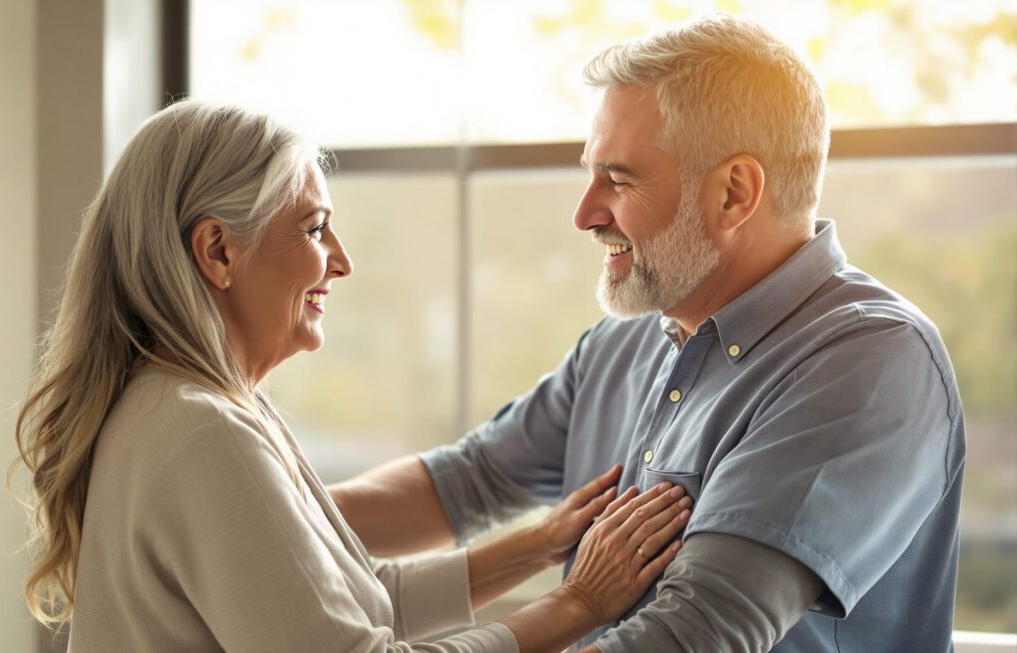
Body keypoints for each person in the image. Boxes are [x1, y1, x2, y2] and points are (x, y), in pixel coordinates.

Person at [331, 14, 966, 653]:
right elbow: (465, 484)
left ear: (733, 194)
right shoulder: (622, 345)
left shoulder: (869, 361)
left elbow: (692, 636)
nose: (584, 214)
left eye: (620, 178)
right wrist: (259, 506)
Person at [14, 100, 694, 653]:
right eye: (315, 229)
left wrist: (540, 547)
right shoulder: (201, 430)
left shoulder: (209, 405)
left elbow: (362, 600)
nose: (340, 262)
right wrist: (577, 604)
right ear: (218, 251)